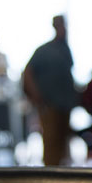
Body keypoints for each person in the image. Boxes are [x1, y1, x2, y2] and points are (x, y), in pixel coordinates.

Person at [21, 15, 77, 166]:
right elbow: (28, 73)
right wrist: (36, 96)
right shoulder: (44, 50)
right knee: (51, 141)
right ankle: (51, 176)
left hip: (65, 104)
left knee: (62, 142)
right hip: (50, 104)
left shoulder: (65, 50)